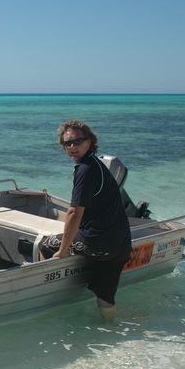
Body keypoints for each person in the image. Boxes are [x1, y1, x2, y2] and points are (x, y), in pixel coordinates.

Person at [39, 120, 132, 320]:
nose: (72, 147)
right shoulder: (98, 165)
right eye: (67, 143)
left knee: (46, 243)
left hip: (99, 243)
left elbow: (74, 212)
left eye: (77, 141)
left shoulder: (85, 169)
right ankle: (111, 328)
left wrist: (62, 251)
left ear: (89, 142)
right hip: (121, 245)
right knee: (105, 298)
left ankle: (47, 300)